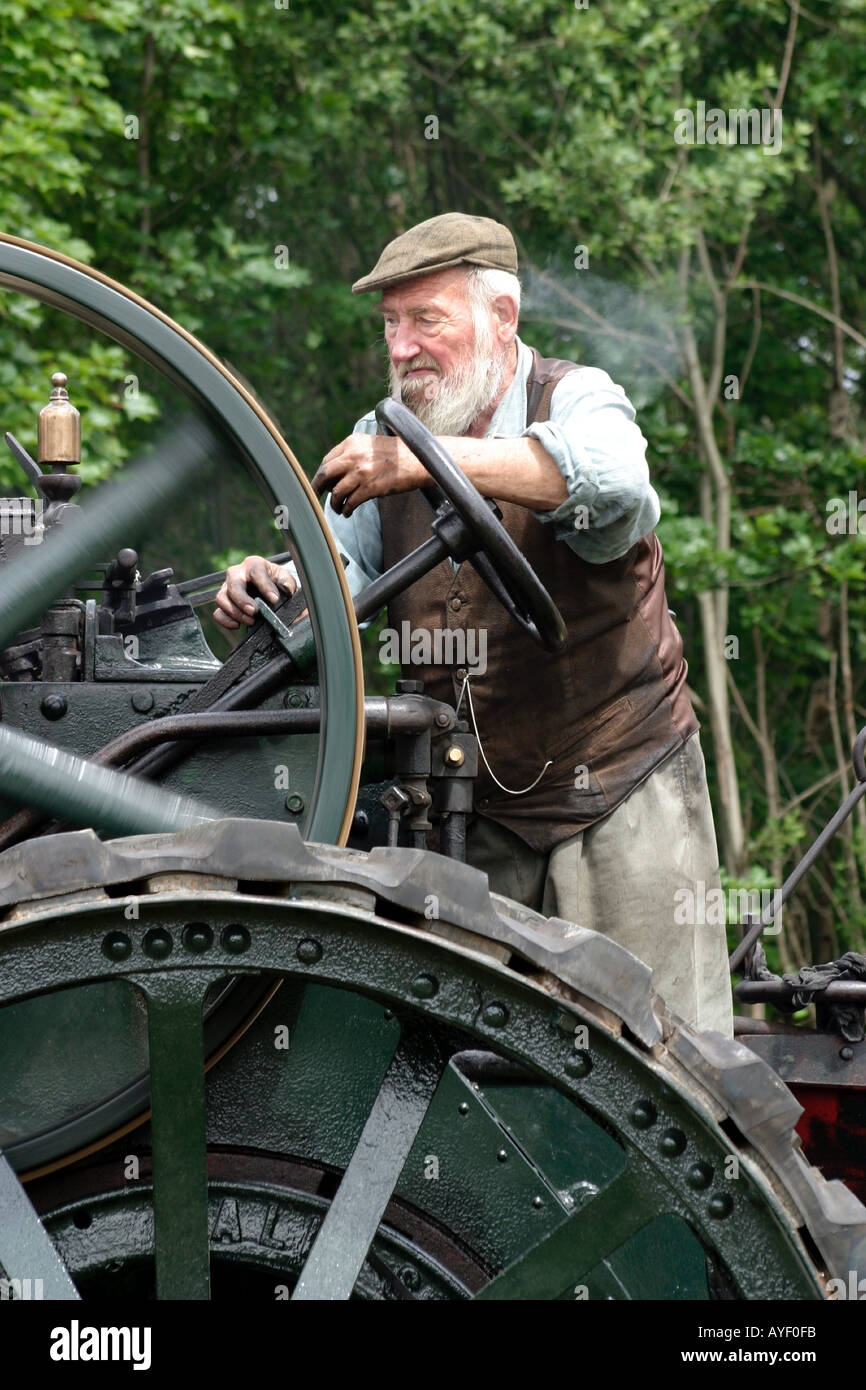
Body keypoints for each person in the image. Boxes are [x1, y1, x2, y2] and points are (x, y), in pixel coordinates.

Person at [215, 212, 734, 1037]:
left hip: (623, 789)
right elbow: (334, 588)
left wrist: (430, 460)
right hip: (468, 807)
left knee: (666, 1062)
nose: (400, 347)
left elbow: (622, 490)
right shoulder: (373, 442)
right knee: (469, 1077)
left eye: (426, 319)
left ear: (503, 318)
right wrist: (270, 583)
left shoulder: (575, 396)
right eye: (390, 324)